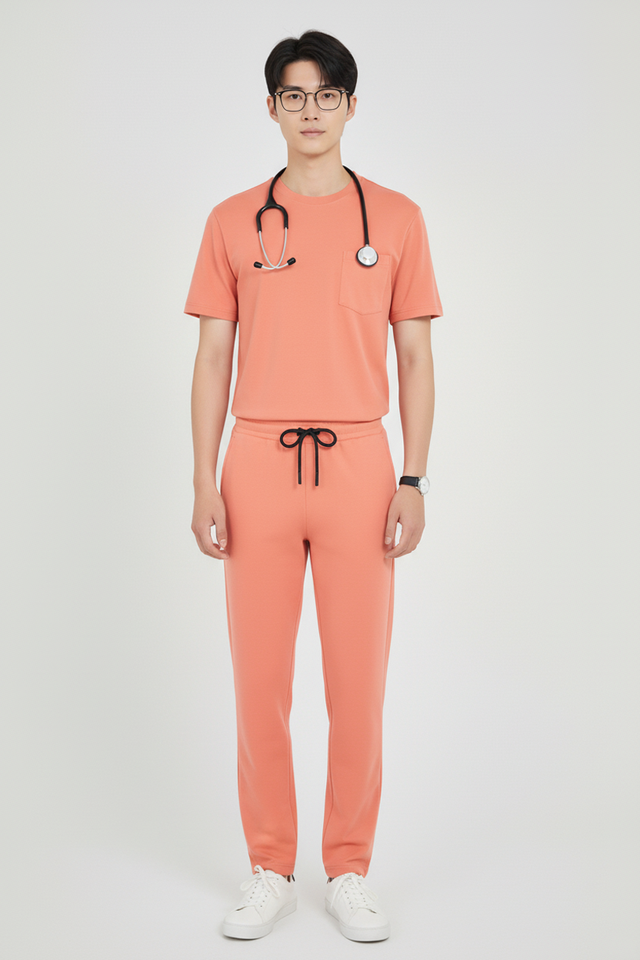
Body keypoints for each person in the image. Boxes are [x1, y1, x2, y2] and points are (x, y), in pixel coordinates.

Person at [184, 29, 443, 942]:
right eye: (293, 96)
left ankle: (349, 868)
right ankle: (269, 867)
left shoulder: (397, 221)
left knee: (356, 683)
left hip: (360, 465)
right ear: (272, 108)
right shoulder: (232, 222)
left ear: (350, 106)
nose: (310, 111)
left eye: (326, 95)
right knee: (260, 682)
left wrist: (413, 475)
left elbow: (416, 357)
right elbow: (211, 357)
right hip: (257, 462)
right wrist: (203, 479)